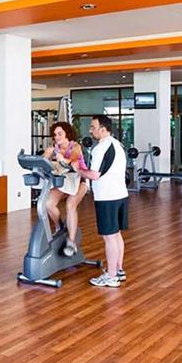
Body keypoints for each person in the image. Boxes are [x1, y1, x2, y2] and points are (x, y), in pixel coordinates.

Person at [79, 115, 128, 288]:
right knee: (116, 235)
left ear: (103, 129)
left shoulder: (101, 148)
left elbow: (94, 174)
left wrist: (77, 169)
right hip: (120, 195)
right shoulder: (118, 144)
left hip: (107, 197)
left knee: (109, 237)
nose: (90, 130)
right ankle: (118, 270)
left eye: (93, 127)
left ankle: (111, 275)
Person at [43, 122, 89, 257]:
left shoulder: (75, 146)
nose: (56, 137)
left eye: (59, 134)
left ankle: (71, 241)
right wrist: (45, 158)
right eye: (55, 134)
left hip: (80, 180)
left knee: (70, 205)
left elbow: (72, 159)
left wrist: (62, 158)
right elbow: (42, 160)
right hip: (64, 180)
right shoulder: (53, 148)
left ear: (67, 134)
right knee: (48, 204)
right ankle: (59, 227)